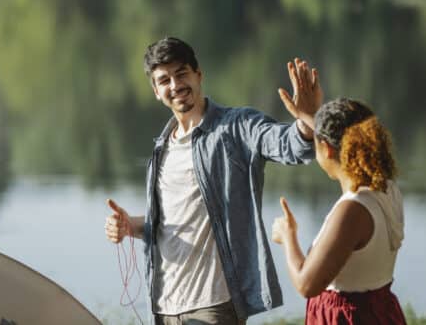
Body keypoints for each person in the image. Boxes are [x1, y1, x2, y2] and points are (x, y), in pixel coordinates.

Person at [104, 37, 323, 324]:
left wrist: (307, 120)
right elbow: (173, 222)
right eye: (164, 80)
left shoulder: (237, 127)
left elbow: (292, 146)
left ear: (198, 75)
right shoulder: (162, 149)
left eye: (182, 73)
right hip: (165, 306)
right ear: (156, 91)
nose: (175, 85)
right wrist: (129, 225)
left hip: (213, 305)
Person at [271, 98, 406, 324]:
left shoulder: (352, 211)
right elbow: (346, 134)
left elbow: (307, 285)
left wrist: (288, 236)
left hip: (350, 318)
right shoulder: (386, 188)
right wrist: (304, 114)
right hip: (380, 312)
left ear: (327, 149)